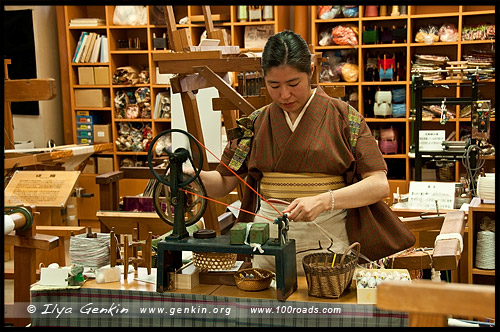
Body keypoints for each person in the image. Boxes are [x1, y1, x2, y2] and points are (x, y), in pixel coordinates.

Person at [192, 30, 389, 276]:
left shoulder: (345, 117)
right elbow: (223, 183)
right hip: (267, 244)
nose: (284, 95)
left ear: (311, 72)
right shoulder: (254, 124)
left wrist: (324, 200)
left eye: (293, 84)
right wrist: (192, 176)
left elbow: (379, 184)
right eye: (274, 85)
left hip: (328, 240)